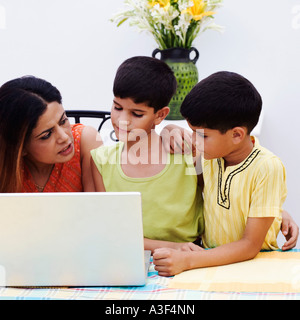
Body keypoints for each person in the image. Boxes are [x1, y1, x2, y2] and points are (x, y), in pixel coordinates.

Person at [153, 71, 298, 276]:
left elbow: (249, 246)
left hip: (256, 265)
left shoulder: (267, 167)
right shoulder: (210, 156)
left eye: (202, 135)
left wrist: (188, 260)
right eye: (192, 131)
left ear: (237, 134)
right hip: (210, 260)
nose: (194, 140)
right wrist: (169, 129)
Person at [91, 56, 204, 253]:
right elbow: (108, 230)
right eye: (117, 108)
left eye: (136, 114)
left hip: (191, 258)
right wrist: (174, 247)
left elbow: (222, 194)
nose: (122, 120)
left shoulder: (187, 153)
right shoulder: (101, 162)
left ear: (160, 115)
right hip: (127, 255)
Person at [0, 76, 102, 193]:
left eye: (63, 121)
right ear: (20, 147)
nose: (64, 137)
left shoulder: (85, 140)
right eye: (47, 135)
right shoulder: (7, 165)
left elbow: (96, 207)